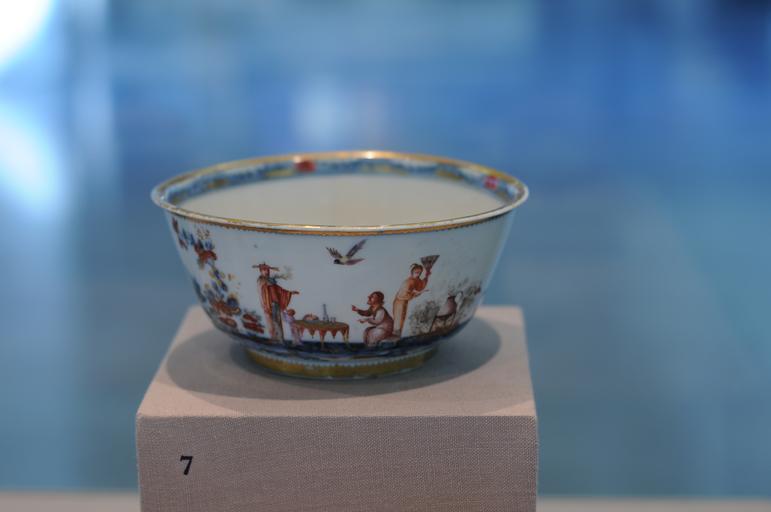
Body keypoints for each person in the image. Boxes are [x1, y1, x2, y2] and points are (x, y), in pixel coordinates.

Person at [255, 263, 299, 342]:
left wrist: (290, 293)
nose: (267, 271)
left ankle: (279, 339)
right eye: (264, 270)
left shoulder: (270, 280)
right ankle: (273, 337)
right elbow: (261, 291)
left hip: (275, 304)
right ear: (261, 271)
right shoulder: (261, 281)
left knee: (277, 321)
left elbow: (279, 290)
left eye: (268, 270)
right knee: (270, 321)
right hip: (267, 304)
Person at [392, 263, 430, 336]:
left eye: (419, 273)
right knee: (399, 319)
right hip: (399, 302)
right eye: (416, 272)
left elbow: (421, 286)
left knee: (403, 318)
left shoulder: (416, 280)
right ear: (412, 272)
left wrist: (427, 276)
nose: (418, 274)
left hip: (405, 301)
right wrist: (415, 294)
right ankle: (396, 335)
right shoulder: (408, 282)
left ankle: (398, 334)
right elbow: (403, 295)